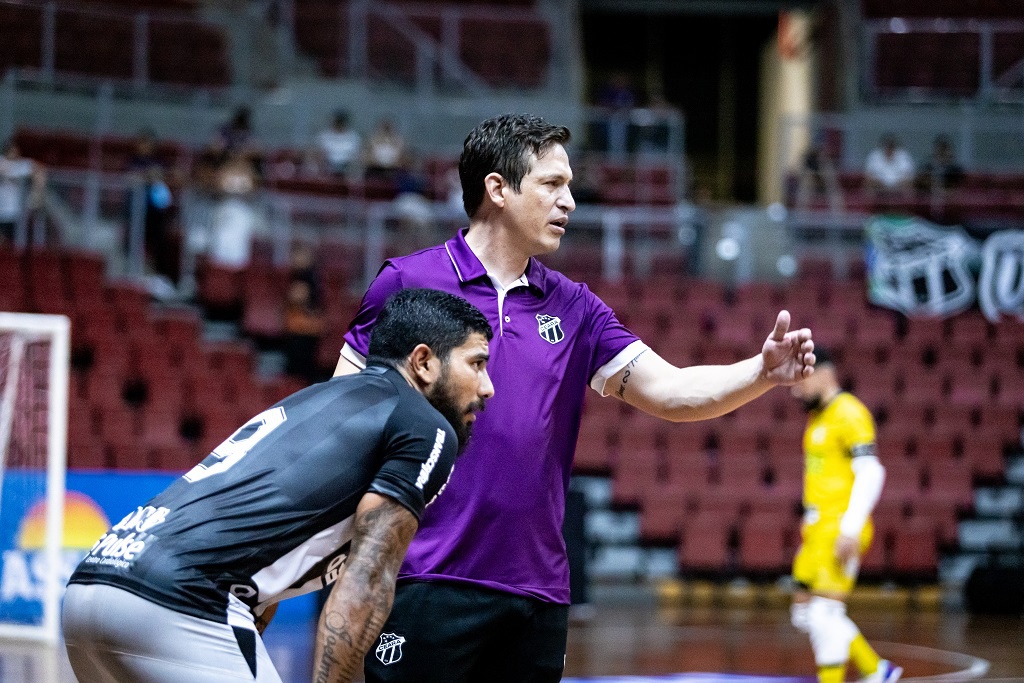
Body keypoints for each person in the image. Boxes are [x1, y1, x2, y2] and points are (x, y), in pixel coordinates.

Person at [335, 113, 816, 682]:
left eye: (569, 186)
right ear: (498, 189)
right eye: (551, 184)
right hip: (422, 578)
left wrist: (760, 372)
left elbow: (671, 391)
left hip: (535, 595)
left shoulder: (575, 307)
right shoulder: (405, 282)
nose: (569, 201)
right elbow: (342, 413)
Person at [63, 288, 495, 683]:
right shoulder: (425, 427)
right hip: (182, 601)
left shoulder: (317, 399)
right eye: (476, 364)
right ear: (423, 362)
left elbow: (263, 548)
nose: (488, 387)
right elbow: (367, 577)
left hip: (93, 584)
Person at [789, 347, 901, 683]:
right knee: (804, 613)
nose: (796, 391)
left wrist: (850, 528)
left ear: (824, 373)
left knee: (824, 614)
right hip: (816, 529)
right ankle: (877, 670)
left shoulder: (850, 413)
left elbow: (871, 473)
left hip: (839, 528)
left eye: (801, 381)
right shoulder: (818, 417)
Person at [0, 140, 45, 245]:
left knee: (15, 242)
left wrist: (37, 192)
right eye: (11, 151)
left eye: (15, 151)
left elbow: (40, 169)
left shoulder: (21, 165)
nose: (13, 154)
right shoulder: (1, 162)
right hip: (1, 210)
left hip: (15, 212)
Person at [317, 110, 362, 177]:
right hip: (328, 166)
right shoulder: (324, 136)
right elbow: (320, 153)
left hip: (347, 167)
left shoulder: (353, 137)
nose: (339, 124)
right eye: (337, 121)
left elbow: (356, 155)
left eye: (341, 121)